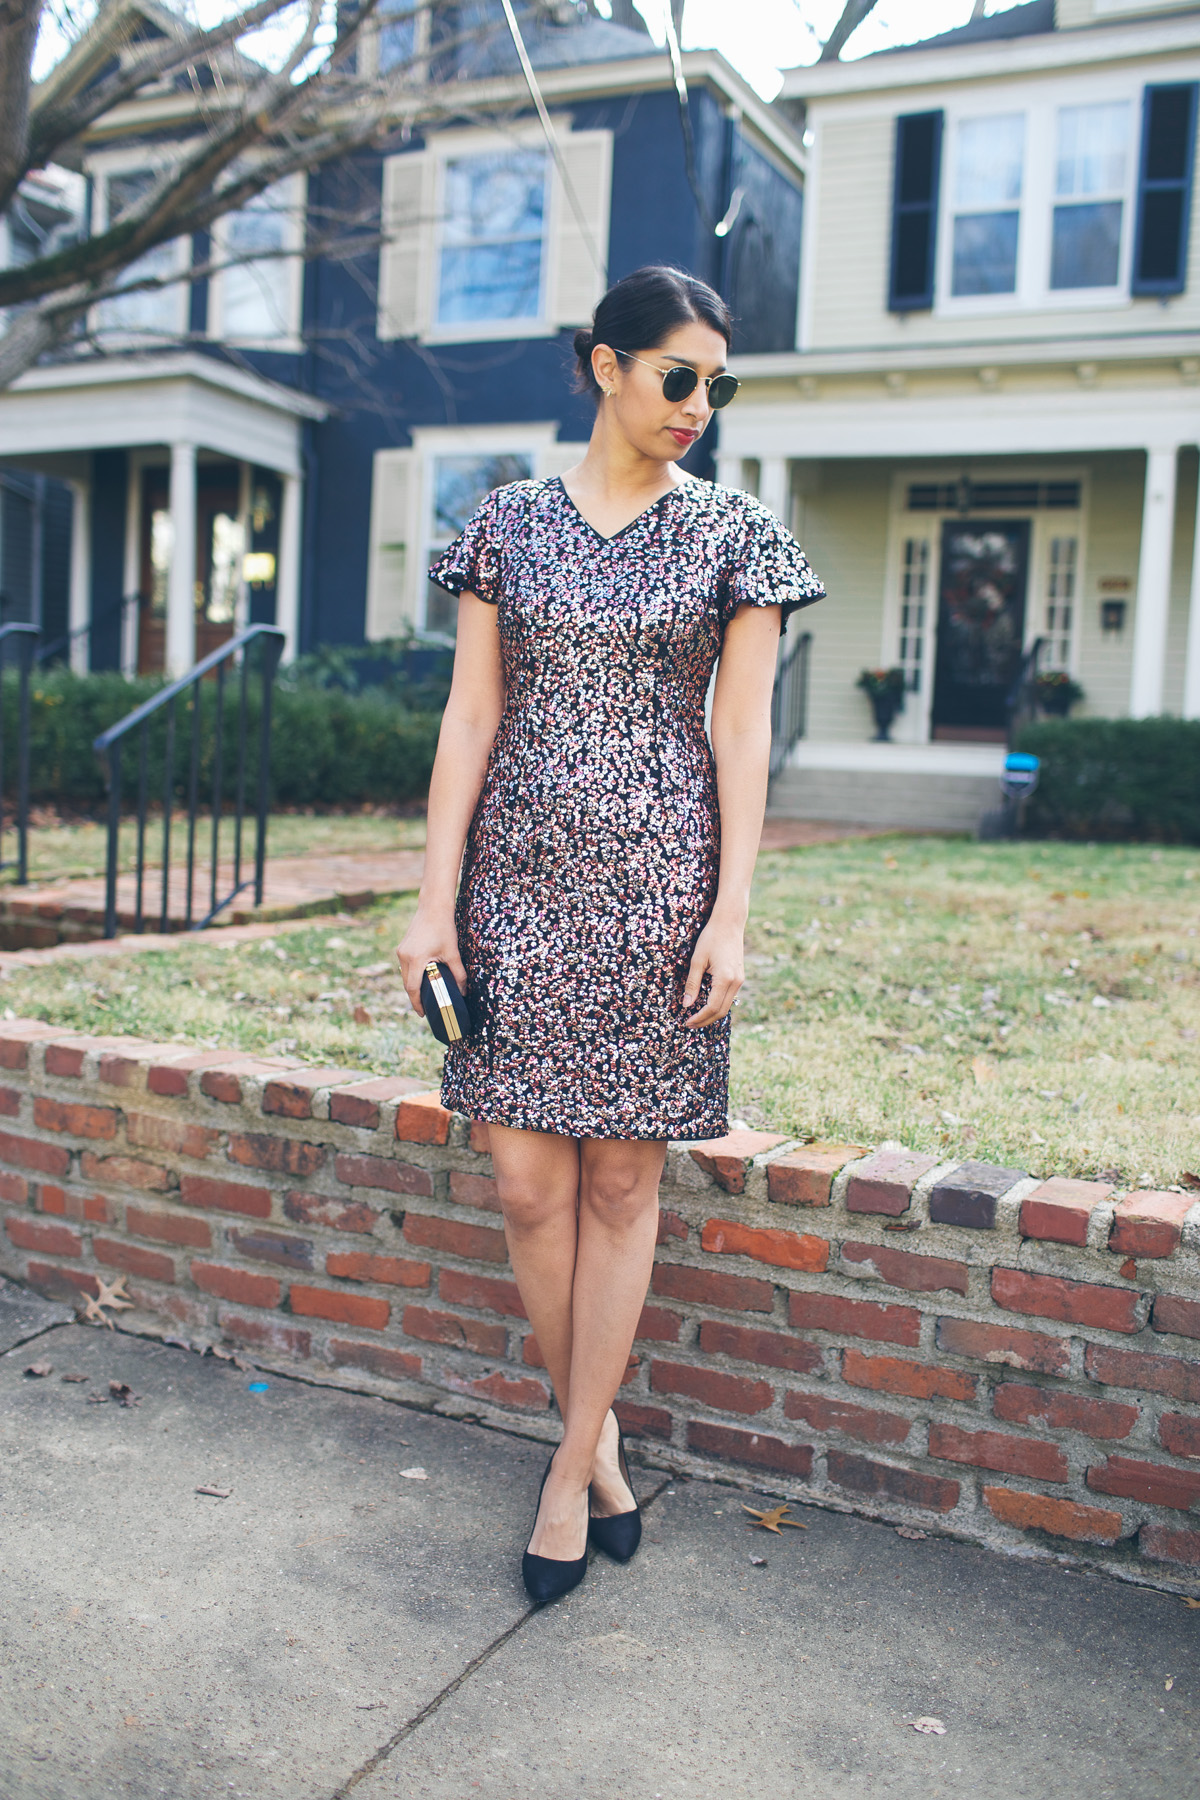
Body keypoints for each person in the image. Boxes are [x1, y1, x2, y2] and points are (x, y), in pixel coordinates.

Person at [397, 264, 824, 1604]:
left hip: (661, 894)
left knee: (623, 1187)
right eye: (677, 376)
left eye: (718, 386)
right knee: (529, 1187)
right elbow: (470, 716)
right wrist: (432, 900)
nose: (698, 403)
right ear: (606, 366)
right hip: (513, 889)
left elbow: (742, 733)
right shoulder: (507, 525)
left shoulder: (736, 536)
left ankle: (565, 1470)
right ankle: (604, 1447)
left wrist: (732, 914)